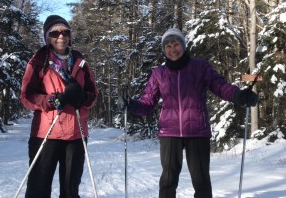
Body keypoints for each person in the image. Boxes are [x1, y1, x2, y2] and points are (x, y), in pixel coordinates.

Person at [118, 28, 258, 198]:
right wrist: (131, 105)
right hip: (169, 132)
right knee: (168, 181)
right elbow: (147, 103)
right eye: (168, 46)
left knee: (201, 181)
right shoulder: (159, 73)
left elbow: (221, 86)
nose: (172, 49)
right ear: (164, 49)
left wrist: (238, 95)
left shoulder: (200, 67)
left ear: (183, 46)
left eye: (176, 44)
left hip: (197, 131)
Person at [21, 15, 98, 198]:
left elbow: (93, 94)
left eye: (65, 32)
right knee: (38, 189)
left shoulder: (80, 61)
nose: (61, 36)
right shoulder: (38, 61)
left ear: (70, 36)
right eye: (55, 33)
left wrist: (82, 98)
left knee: (70, 191)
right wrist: (53, 100)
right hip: (46, 133)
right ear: (48, 36)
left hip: (76, 133)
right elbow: (26, 96)